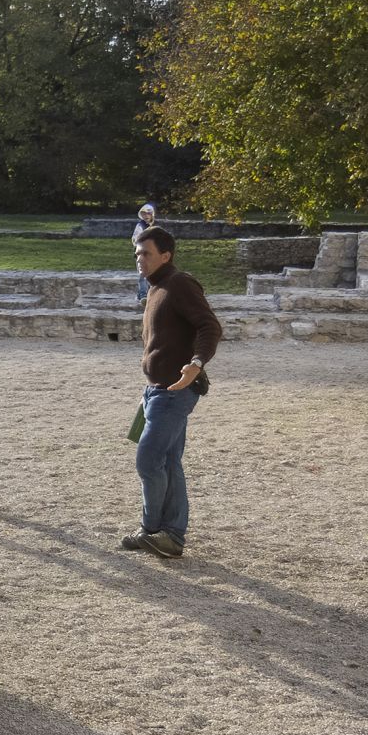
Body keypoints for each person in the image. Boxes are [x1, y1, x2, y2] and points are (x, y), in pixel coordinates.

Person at [125, 225, 223, 560]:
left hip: (175, 392)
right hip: (155, 391)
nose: (140, 259)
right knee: (168, 460)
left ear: (166, 255)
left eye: (146, 253)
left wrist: (196, 362)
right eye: (137, 253)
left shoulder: (179, 283)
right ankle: (160, 533)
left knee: (149, 459)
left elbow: (209, 326)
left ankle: (165, 532)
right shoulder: (155, 288)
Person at [133, 203, 158, 301]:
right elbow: (135, 239)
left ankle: (143, 294)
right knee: (142, 274)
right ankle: (143, 295)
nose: (146, 216)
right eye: (144, 214)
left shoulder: (156, 226)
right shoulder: (140, 226)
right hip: (142, 253)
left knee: (152, 274)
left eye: (148, 214)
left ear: (152, 214)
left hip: (154, 254)